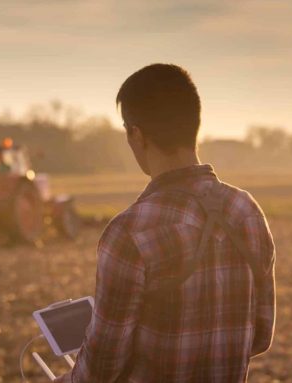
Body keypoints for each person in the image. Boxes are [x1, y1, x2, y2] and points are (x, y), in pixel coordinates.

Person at [54, 64, 276, 382]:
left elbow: (101, 368)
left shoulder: (130, 232)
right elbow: (261, 336)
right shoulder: (246, 211)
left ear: (136, 134)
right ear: (194, 124)